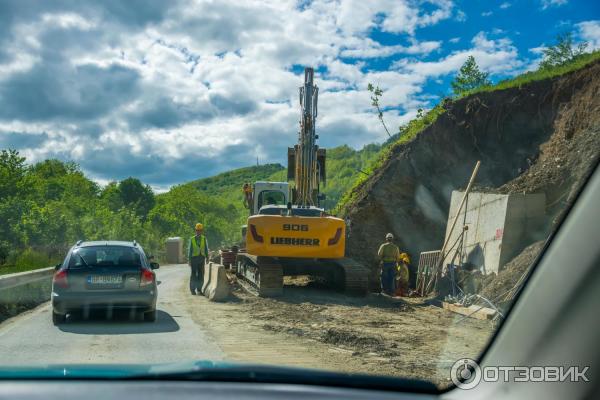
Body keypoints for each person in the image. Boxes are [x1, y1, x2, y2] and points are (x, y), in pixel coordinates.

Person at [188, 223, 209, 295]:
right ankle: (192, 290)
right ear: (195, 230)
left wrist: (207, 257)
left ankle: (199, 290)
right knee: (193, 275)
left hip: (201, 259)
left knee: (201, 275)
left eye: (200, 230)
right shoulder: (192, 239)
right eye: (197, 230)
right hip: (194, 259)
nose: (198, 231)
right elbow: (190, 250)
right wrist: (189, 260)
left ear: (202, 231)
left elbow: (206, 249)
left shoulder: (204, 238)